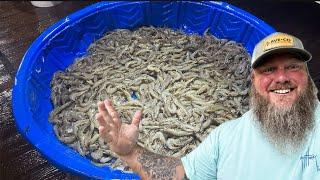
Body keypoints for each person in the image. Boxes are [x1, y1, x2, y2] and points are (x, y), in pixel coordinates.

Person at [95, 32, 320, 180]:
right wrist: (130, 152)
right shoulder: (226, 136)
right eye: (268, 70)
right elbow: (181, 175)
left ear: (308, 77)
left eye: (293, 67)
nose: (281, 78)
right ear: (253, 80)